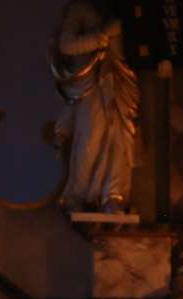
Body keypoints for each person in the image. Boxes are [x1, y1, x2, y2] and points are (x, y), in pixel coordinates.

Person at [51, 0, 139, 214]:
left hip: (120, 79)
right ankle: (78, 195)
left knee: (119, 137)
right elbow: (66, 45)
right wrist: (103, 34)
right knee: (90, 137)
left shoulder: (124, 9)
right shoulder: (80, 8)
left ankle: (113, 195)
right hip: (92, 82)